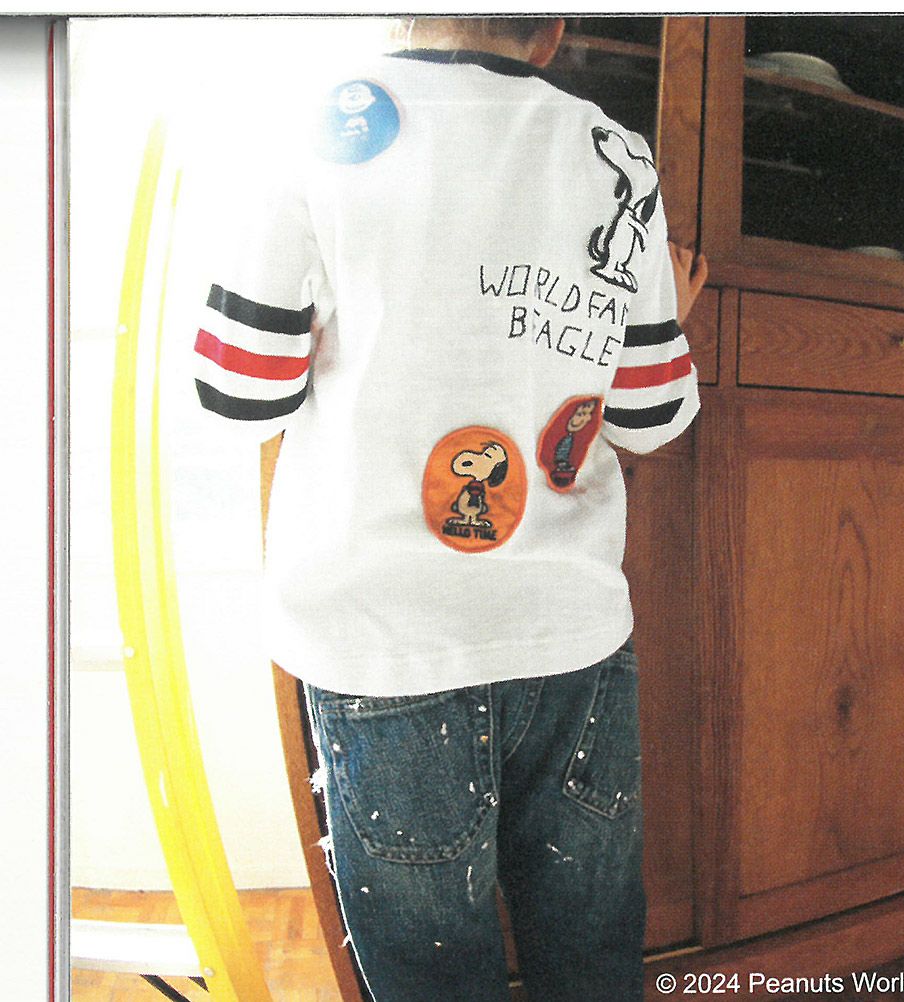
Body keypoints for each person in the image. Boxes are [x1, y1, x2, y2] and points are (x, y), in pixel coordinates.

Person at [193, 15, 707, 1001]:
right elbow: (650, 420)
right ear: (553, 31)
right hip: (570, 638)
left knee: (432, 970)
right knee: (590, 948)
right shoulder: (616, 153)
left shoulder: (313, 126)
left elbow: (239, 393)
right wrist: (664, 320)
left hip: (380, 640)